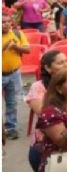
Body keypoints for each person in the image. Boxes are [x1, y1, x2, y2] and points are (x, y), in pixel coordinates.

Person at [25, 50, 67, 171]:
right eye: (61, 63)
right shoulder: (38, 87)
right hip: (44, 147)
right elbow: (43, 114)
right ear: (48, 68)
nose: (66, 65)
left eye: (66, 61)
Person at [2, 11, 31, 140]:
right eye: (3, 22)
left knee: (12, 102)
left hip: (14, 73)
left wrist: (16, 47)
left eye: (8, 22)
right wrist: (4, 47)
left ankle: (10, 127)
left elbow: (27, 50)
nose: (6, 24)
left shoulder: (17, 34)